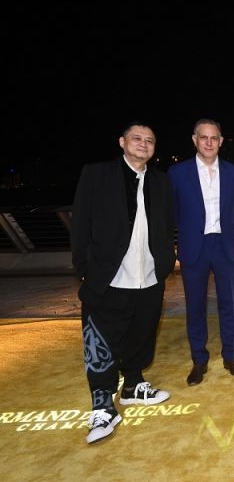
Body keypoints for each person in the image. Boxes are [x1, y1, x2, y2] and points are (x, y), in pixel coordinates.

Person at [71, 122, 176, 444]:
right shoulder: (96, 174)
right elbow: (80, 223)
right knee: (101, 340)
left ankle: (133, 386)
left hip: (149, 276)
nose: (143, 144)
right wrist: (84, 269)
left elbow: (166, 225)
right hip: (109, 277)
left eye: (149, 140)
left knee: (141, 333)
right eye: (136, 138)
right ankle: (102, 405)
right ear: (122, 142)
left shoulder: (160, 181)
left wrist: (166, 262)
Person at [168, 119, 234, 386]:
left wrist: (227, 227)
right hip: (194, 247)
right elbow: (173, 210)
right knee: (195, 307)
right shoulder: (177, 173)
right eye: (204, 137)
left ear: (221, 141)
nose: (209, 143)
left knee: (230, 305)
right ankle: (199, 360)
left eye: (214, 138)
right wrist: (189, 231)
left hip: (225, 245)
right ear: (195, 140)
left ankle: (231, 356)